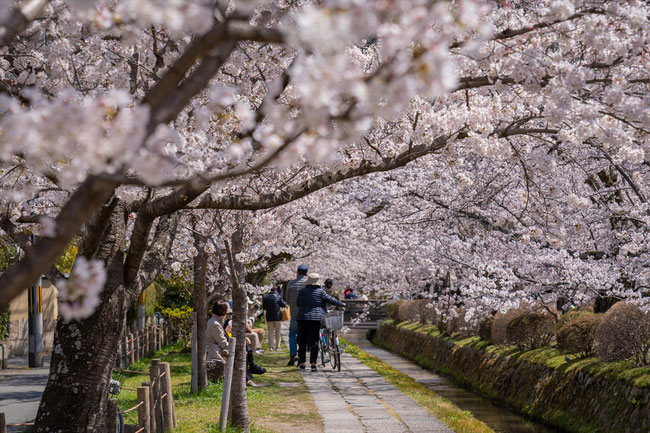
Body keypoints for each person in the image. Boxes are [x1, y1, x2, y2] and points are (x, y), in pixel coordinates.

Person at [296, 273, 345, 371]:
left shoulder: (302, 291)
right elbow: (330, 300)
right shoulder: (320, 292)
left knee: (302, 341)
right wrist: (342, 304)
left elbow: (298, 303)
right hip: (316, 319)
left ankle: (302, 363)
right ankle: (313, 364)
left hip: (302, 318)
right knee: (314, 342)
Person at [286, 264, 308, 365]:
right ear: (307, 274)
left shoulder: (291, 284)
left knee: (292, 334)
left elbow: (287, 299)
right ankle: (301, 354)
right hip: (306, 314)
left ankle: (293, 353)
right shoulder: (309, 284)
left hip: (294, 314)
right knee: (305, 335)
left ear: (297, 273)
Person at [206, 300, 230, 381]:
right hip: (215, 350)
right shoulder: (215, 324)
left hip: (216, 348)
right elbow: (222, 342)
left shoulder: (216, 321)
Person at [263, 287, 287, 351]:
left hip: (269, 316)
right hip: (277, 316)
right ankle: (277, 347)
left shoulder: (265, 297)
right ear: (275, 291)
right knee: (278, 332)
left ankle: (271, 347)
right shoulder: (278, 297)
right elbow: (284, 305)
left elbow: (264, 307)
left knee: (270, 331)